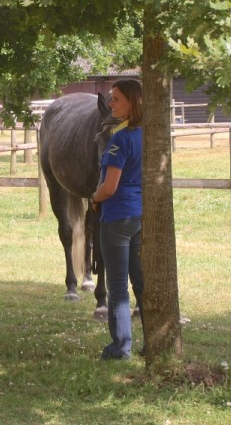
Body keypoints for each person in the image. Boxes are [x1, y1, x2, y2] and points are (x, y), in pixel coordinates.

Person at [90, 79, 145, 360]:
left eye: (117, 99)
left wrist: (95, 198)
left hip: (117, 217)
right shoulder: (144, 134)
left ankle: (120, 347)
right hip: (138, 215)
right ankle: (151, 339)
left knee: (117, 286)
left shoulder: (120, 139)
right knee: (139, 279)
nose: (111, 104)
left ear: (132, 103)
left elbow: (110, 187)